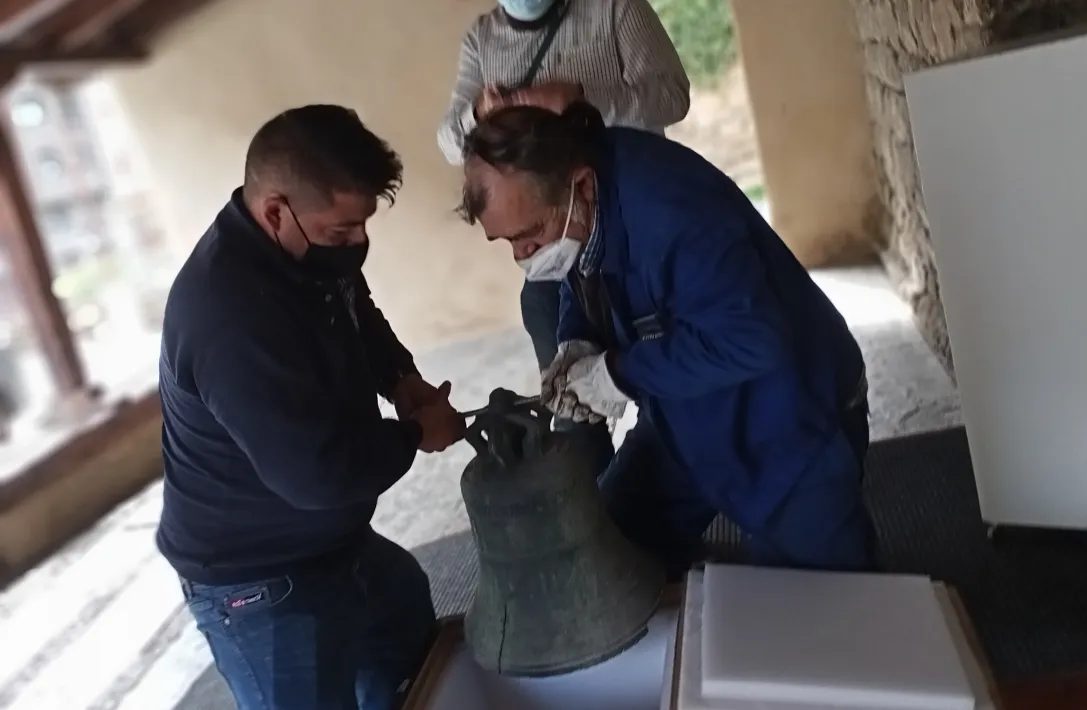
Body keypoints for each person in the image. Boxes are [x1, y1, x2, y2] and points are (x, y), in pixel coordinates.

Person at [457, 103, 875, 579]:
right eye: (507, 243)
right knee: (607, 554)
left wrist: (618, 375)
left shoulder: (673, 211)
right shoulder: (576, 207)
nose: (523, 257)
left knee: (832, 613)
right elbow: (583, 272)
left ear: (583, 186)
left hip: (786, 416)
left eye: (530, 237)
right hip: (684, 412)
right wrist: (576, 342)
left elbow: (752, 340)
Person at [157, 105, 466, 710]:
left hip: (332, 543)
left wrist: (401, 378)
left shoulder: (307, 255)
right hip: (256, 576)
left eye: (363, 229)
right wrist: (414, 434)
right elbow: (318, 474)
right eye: (340, 234)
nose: (357, 248)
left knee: (407, 628)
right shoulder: (230, 316)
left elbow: (357, 308)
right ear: (276, 211)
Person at [437, 0, 691, 469]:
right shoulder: (483, 38)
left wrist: (579, 97)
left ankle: (680, 458)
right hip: (558, 241)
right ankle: (597, 503)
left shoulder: (615, 10)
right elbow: (451, 140)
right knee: (573, 403)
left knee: (672, 370)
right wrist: (481, 111)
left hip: (626, 221)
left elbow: (672, 95)